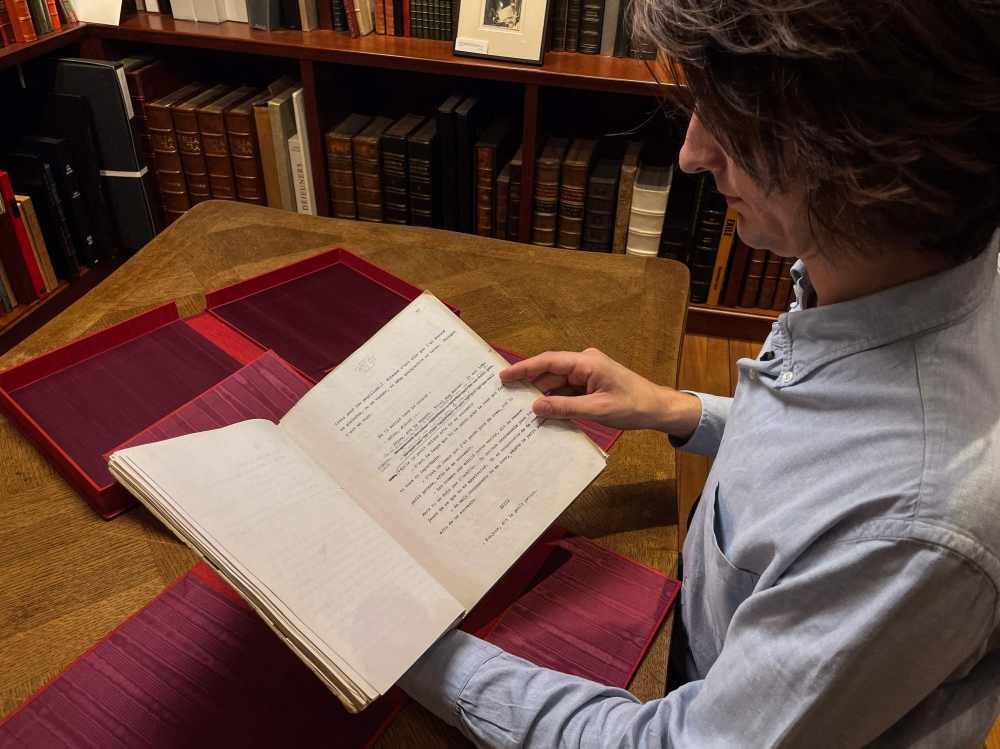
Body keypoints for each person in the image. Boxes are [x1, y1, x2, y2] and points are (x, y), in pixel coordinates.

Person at [399, 0, 1000, 746]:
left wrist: (411, 646)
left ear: (869, 151)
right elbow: (827, 447)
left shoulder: (914, 529)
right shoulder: (919, 263)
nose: (691, 153)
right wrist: (681, 410)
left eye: (736, 123)